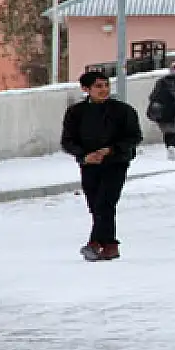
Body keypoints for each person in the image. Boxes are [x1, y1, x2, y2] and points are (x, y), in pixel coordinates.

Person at [61, 71, 143, 262]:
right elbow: (67, 141)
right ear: (86, 89)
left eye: (106, 85)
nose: (103, 90)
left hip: (116, 163)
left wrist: (111, 150)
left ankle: (95, 244)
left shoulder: (123, 110)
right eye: (98, 86)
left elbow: (134, 137)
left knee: (105, 203)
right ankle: (110, 246)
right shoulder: (76, 112)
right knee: (96, 205)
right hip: (89, 164)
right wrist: (84, 155)